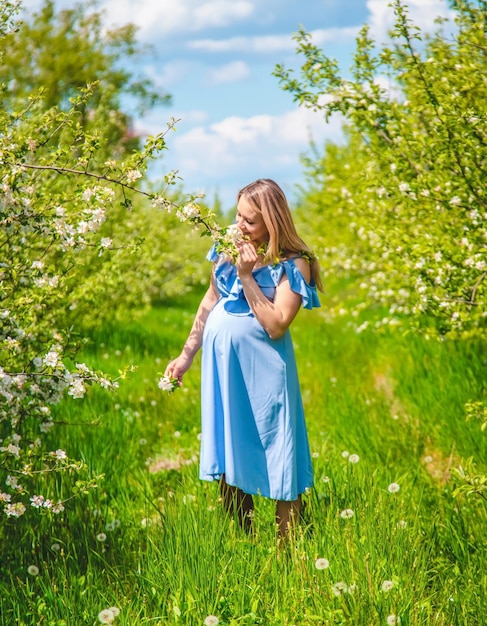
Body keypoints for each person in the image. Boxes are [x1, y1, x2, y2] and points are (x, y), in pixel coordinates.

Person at [165, 179, 322, 536]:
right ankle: (243, 543)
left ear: (273, 221)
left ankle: (288, 552)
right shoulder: (226, 247)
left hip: (265, 374)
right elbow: (209, 301)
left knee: (279, 449)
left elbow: (277, 325)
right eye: (238, 216)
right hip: (225, 371)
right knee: (227, 448)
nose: (239, 227)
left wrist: (247, 276)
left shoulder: (295, 264)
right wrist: (187, 354)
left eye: (249, 221)